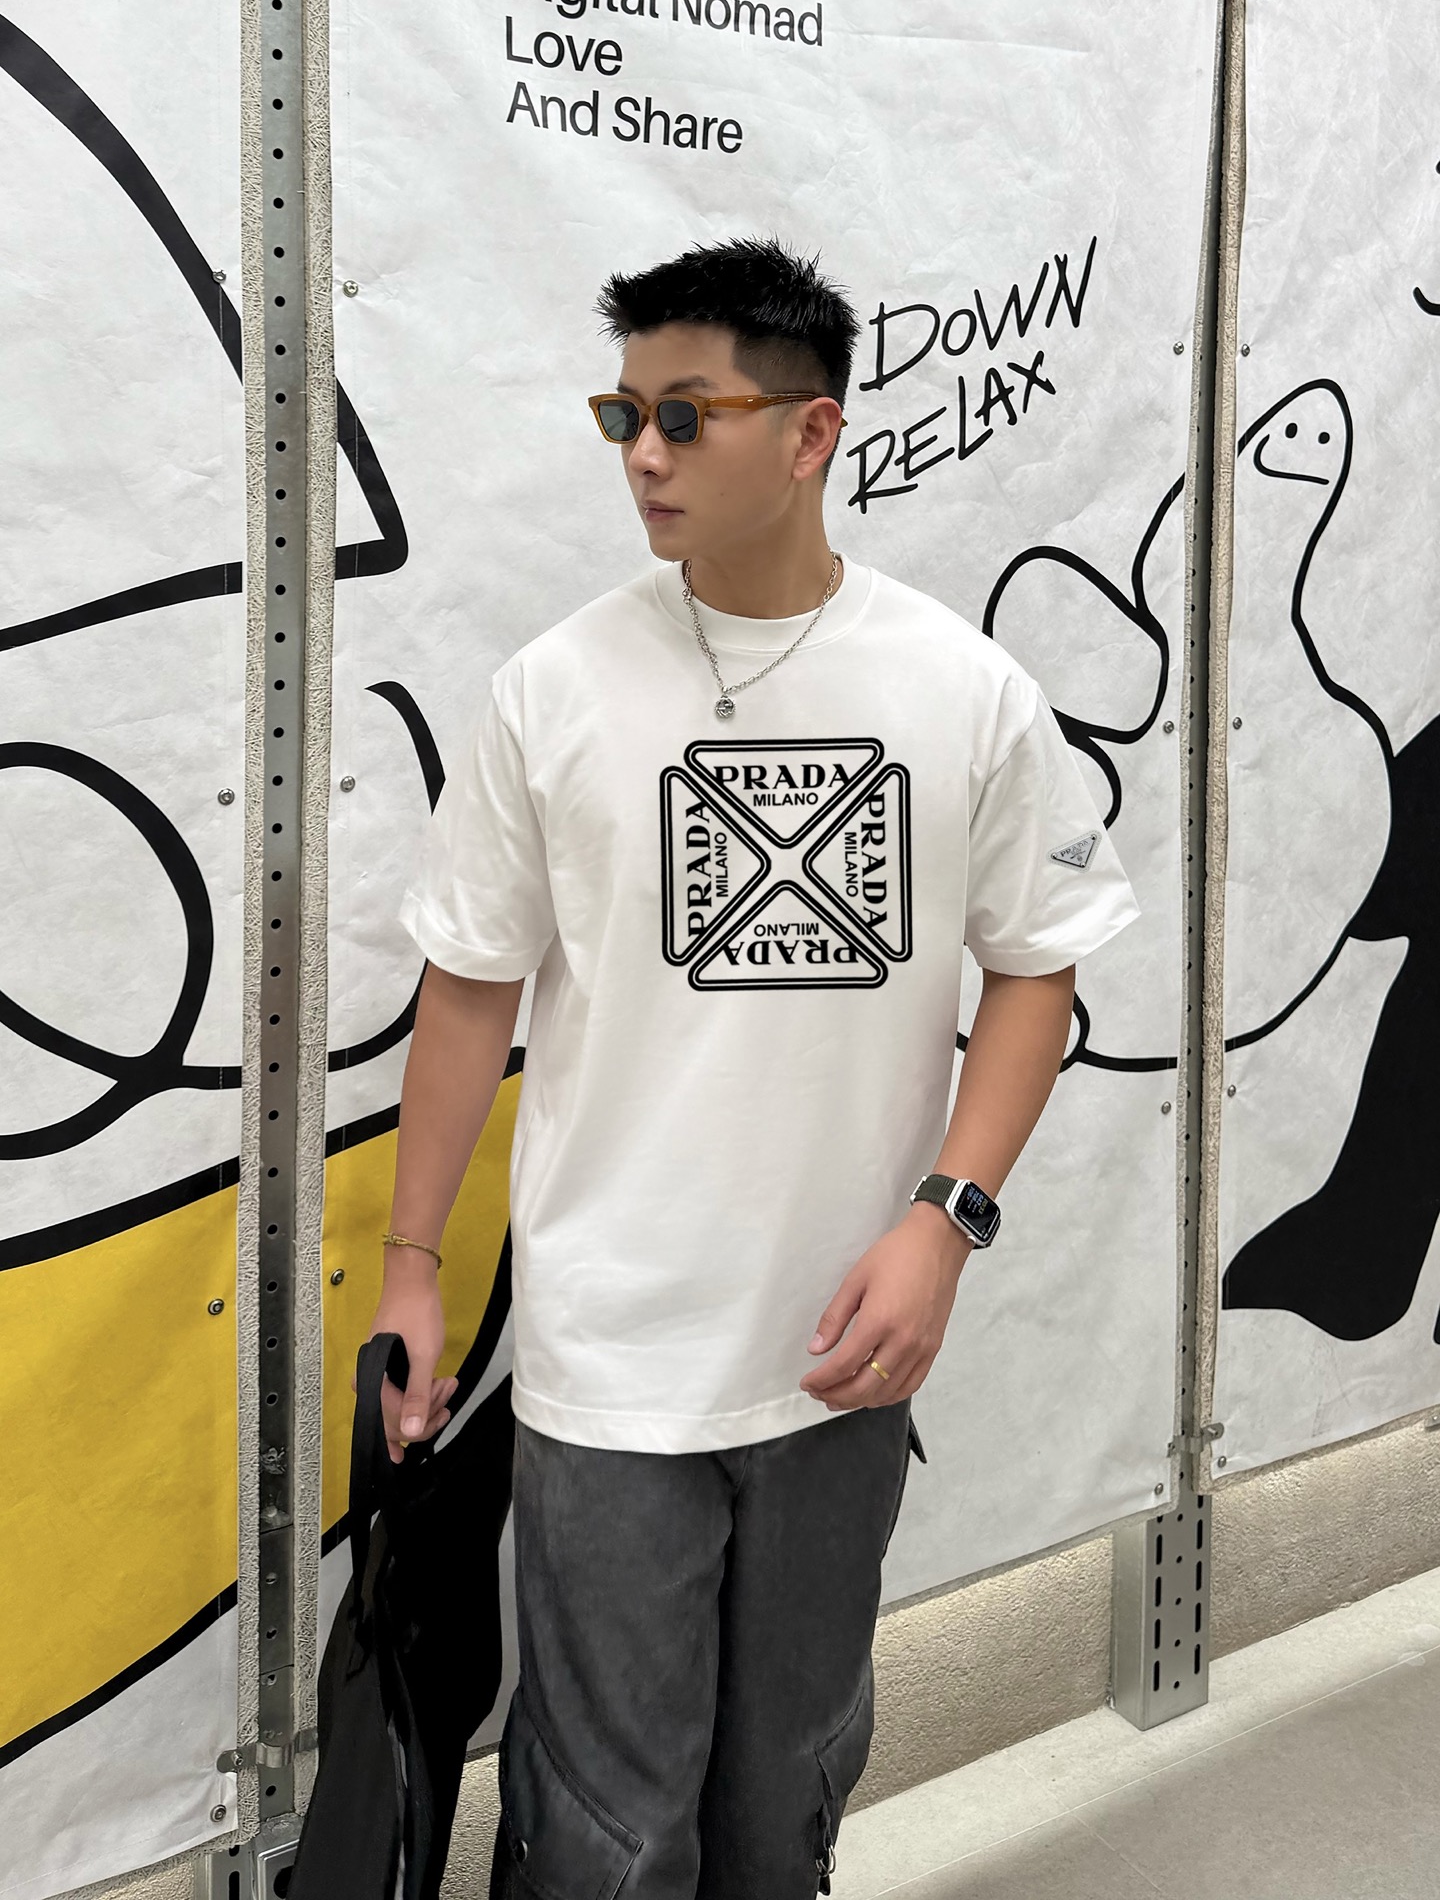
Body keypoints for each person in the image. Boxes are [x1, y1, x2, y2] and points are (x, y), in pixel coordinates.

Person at [365, 237, 1140, 1899]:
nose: (642, 455)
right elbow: (467, 994)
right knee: (606, 1825)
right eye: (624, 413)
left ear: (810, 433)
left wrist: (946, 1219)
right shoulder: (552, 692)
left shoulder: (964, 690)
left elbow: (1037, 961)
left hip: (840, 1354)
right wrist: (413, 1266)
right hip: (610, 1359)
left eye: (685, 414)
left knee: (787, 1798)